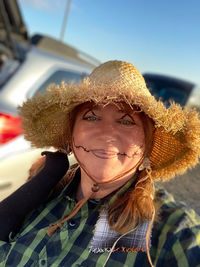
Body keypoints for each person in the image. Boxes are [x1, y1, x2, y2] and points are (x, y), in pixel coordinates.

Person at [0, 60, 200, 267]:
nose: (107, 134)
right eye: (91, 117)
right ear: (71, 133)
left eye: (126, 121)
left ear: (147, 142)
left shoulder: (174, 230)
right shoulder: (42, 192)